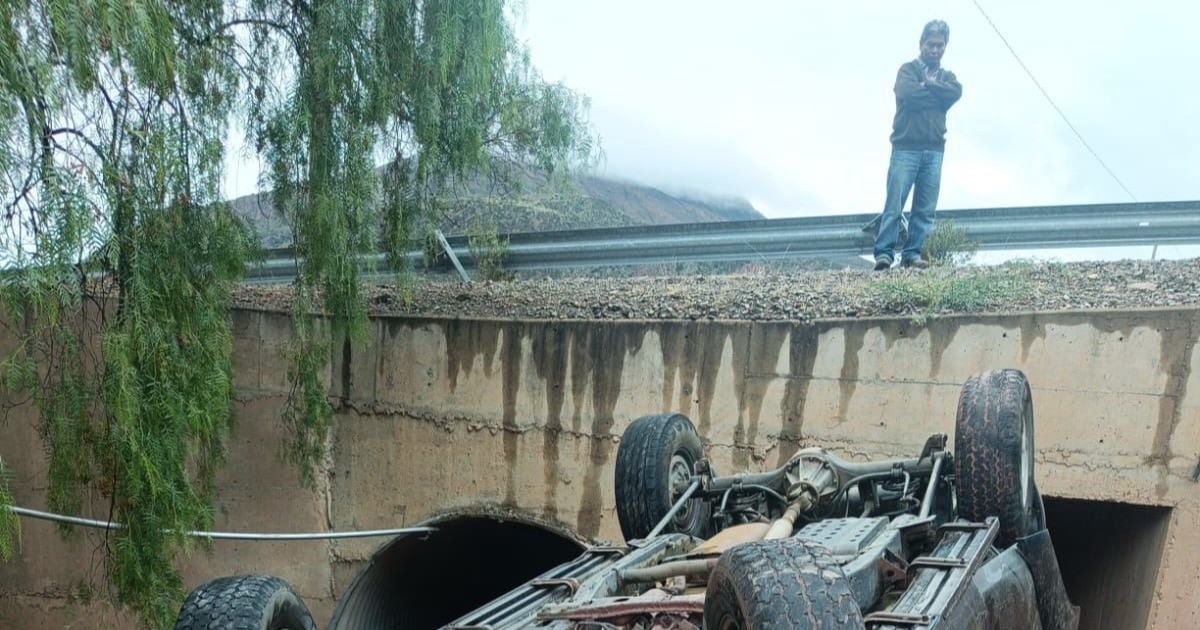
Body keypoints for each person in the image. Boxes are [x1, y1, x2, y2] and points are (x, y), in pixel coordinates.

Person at [873, 19, 962, 270]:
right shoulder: (907, 70)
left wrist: (929, 85)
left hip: (934, 151)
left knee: (925, 209)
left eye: (940, 46)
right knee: (895, 204)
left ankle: (912, 255)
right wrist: (937, 96)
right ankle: (884, 254)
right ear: (921, 43)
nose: (935, 50)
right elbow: (908, 96)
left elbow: (955, 92)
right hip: (905, 148)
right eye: (931, 44)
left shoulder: (948, 77)